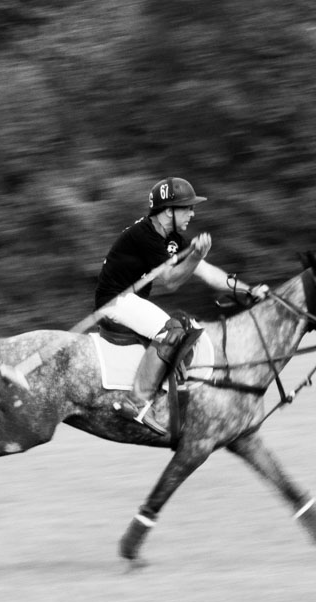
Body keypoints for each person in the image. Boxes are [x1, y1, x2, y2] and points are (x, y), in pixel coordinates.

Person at [93, 177, 269, 434]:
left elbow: (208, 273)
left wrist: (247, 289)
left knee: (181, 327)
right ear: (168, 211)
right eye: (187, 208)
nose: (192, 213)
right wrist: (196, 255)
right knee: (171, 330)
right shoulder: (146, 236)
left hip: (131, 302)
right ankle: (136, 401)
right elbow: (171, 281)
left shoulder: (172, 238)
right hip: (115, 302)